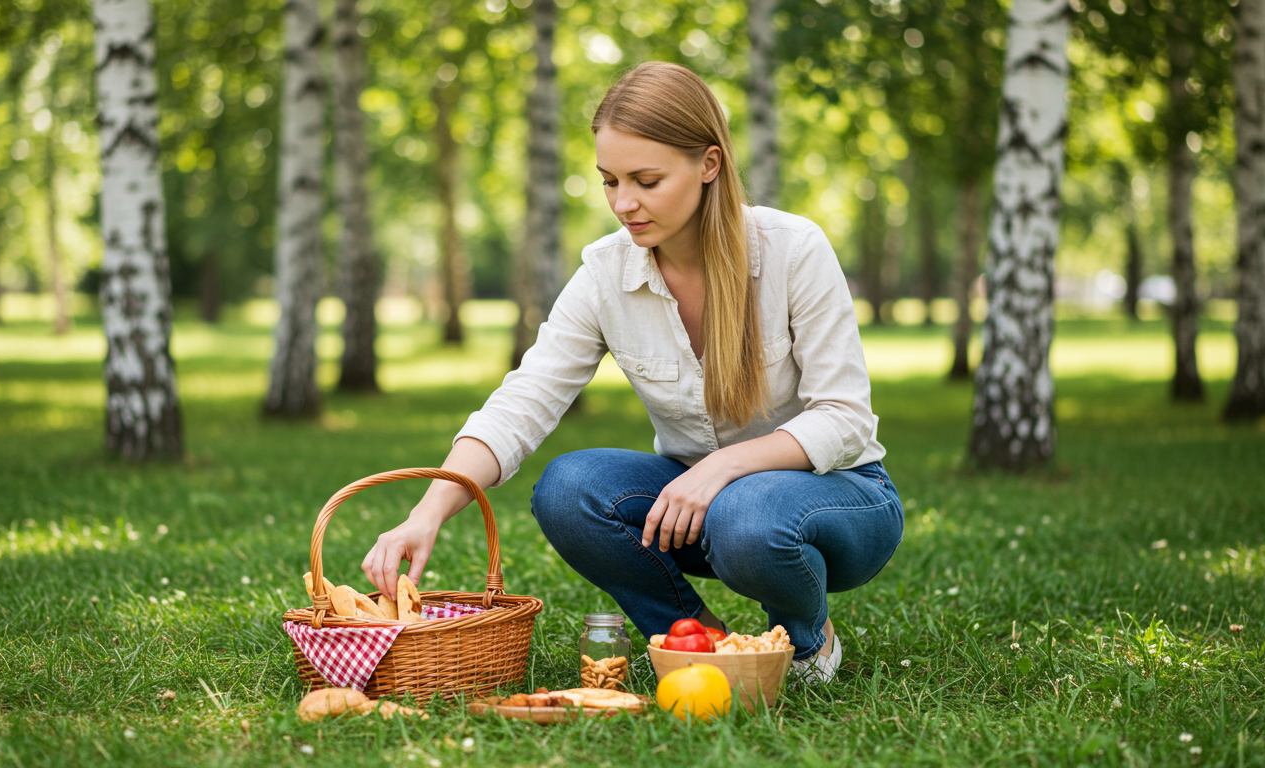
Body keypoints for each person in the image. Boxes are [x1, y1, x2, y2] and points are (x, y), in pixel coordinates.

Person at [361, 61, 903, 683]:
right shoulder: (605, 273)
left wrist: (721, 467)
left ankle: (806, 646)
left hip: (840, 498)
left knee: (746, 513)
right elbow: (524, 401)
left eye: (647, 180)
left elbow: (845, 418)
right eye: (609, 181)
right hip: (695, 504)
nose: (624, 203)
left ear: (709, 164)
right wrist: (428, 510)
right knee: (569, 488)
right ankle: (697, 644)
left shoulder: (794, 250)